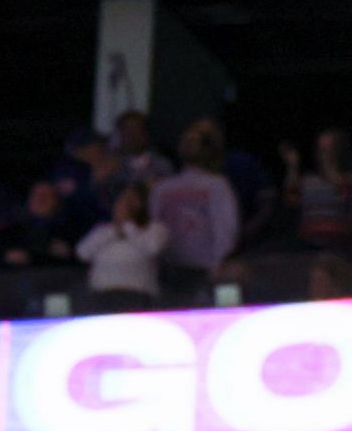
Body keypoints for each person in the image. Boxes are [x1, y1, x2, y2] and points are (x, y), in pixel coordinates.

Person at [151, 120, 241, 302]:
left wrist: (217, 264)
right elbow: (154, 225)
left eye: (195, 141)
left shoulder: (216, 185)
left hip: (204, 270)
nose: (189, 145)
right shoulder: (162, 188)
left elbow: (225, 228)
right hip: (170, 270)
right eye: (186, 141)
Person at [75, 182, 168, 312]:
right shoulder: (103, 230)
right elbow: (82, 253)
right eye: (122, 201)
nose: (126, 206)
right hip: (102, 293)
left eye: (131, 201)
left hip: (137, 293)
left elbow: (152, 248)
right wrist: (114, 231)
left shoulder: (154, 229)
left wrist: (128, 227)